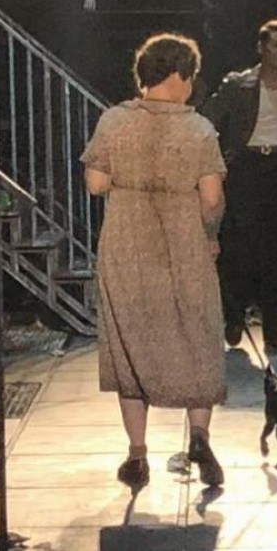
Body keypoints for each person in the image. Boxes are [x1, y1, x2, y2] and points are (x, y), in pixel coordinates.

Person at [81, 33, 228, 489]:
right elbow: (211, 198)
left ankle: (137, 455)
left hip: (127, 242)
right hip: (183, 241)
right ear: (179, 75)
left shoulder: (113, 121)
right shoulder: (199, 129)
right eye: (191, 76)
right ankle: (198, 436)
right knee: (198, 335)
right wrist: (211, 235)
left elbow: (95, 183)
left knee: (131, 343)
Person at [200, 19, 277, 353]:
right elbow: (209, 117)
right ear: (261, 48)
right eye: (275, 45)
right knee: (242, 248)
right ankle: (235, 313)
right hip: (249, 167)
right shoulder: (239, 84)